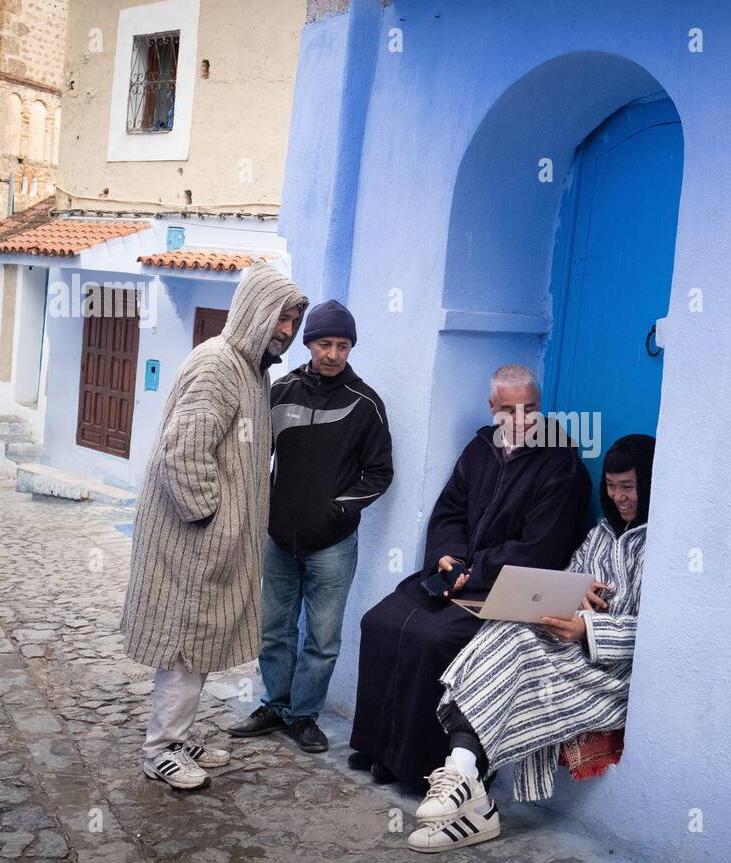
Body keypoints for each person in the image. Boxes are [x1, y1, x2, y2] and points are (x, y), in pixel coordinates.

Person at [406, 434, 655, 852]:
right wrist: (573, 593)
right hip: (569, 652)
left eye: (627, 487)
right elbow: (572, 576)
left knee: (518, 650)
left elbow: (653, 634)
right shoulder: (601, 534)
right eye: (611, 487)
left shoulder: (658, 546)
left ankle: (469, 794)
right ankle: (465, 779)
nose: (618, 497)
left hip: (605, 673)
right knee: (506, 627)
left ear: (647, 482)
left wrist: (586, 631)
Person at [348, 365, 592, 785]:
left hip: (510, 588)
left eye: (530, 409)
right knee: (380, 621)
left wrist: (477, 569)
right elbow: (450, 511)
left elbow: (542, 547)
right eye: (509, 411)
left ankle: (421, 765)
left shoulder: (560, 462)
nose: (520, 421)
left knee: (434, 639)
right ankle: (381, 748)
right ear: (492, 408)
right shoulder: (481, 447)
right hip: (459, 575)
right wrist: (448, 557)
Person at [121, 264, 308, 790]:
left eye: (294, 321)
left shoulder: (251, 371)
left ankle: (177, 735)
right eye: (281, 319)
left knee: (198, 642)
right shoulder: (219, 366)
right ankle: (160, 749)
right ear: (254, 312)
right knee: (184, 642)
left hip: (211, 543)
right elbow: (182, 452)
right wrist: (211, 517)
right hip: (193, 540)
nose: (287, 332)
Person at [227, 299, 393, 752]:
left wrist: (338, 509)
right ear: (310, 344)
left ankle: (304, 716)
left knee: (322, 639)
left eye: (343, 345)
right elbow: (255, 453)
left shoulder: (366, 404)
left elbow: (379, 473)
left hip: (333, 545)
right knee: (274, 630)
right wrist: (261, 506)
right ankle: (275, 706)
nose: (334, 353)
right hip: (279, 539)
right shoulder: (281, 392)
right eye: (325, 343)